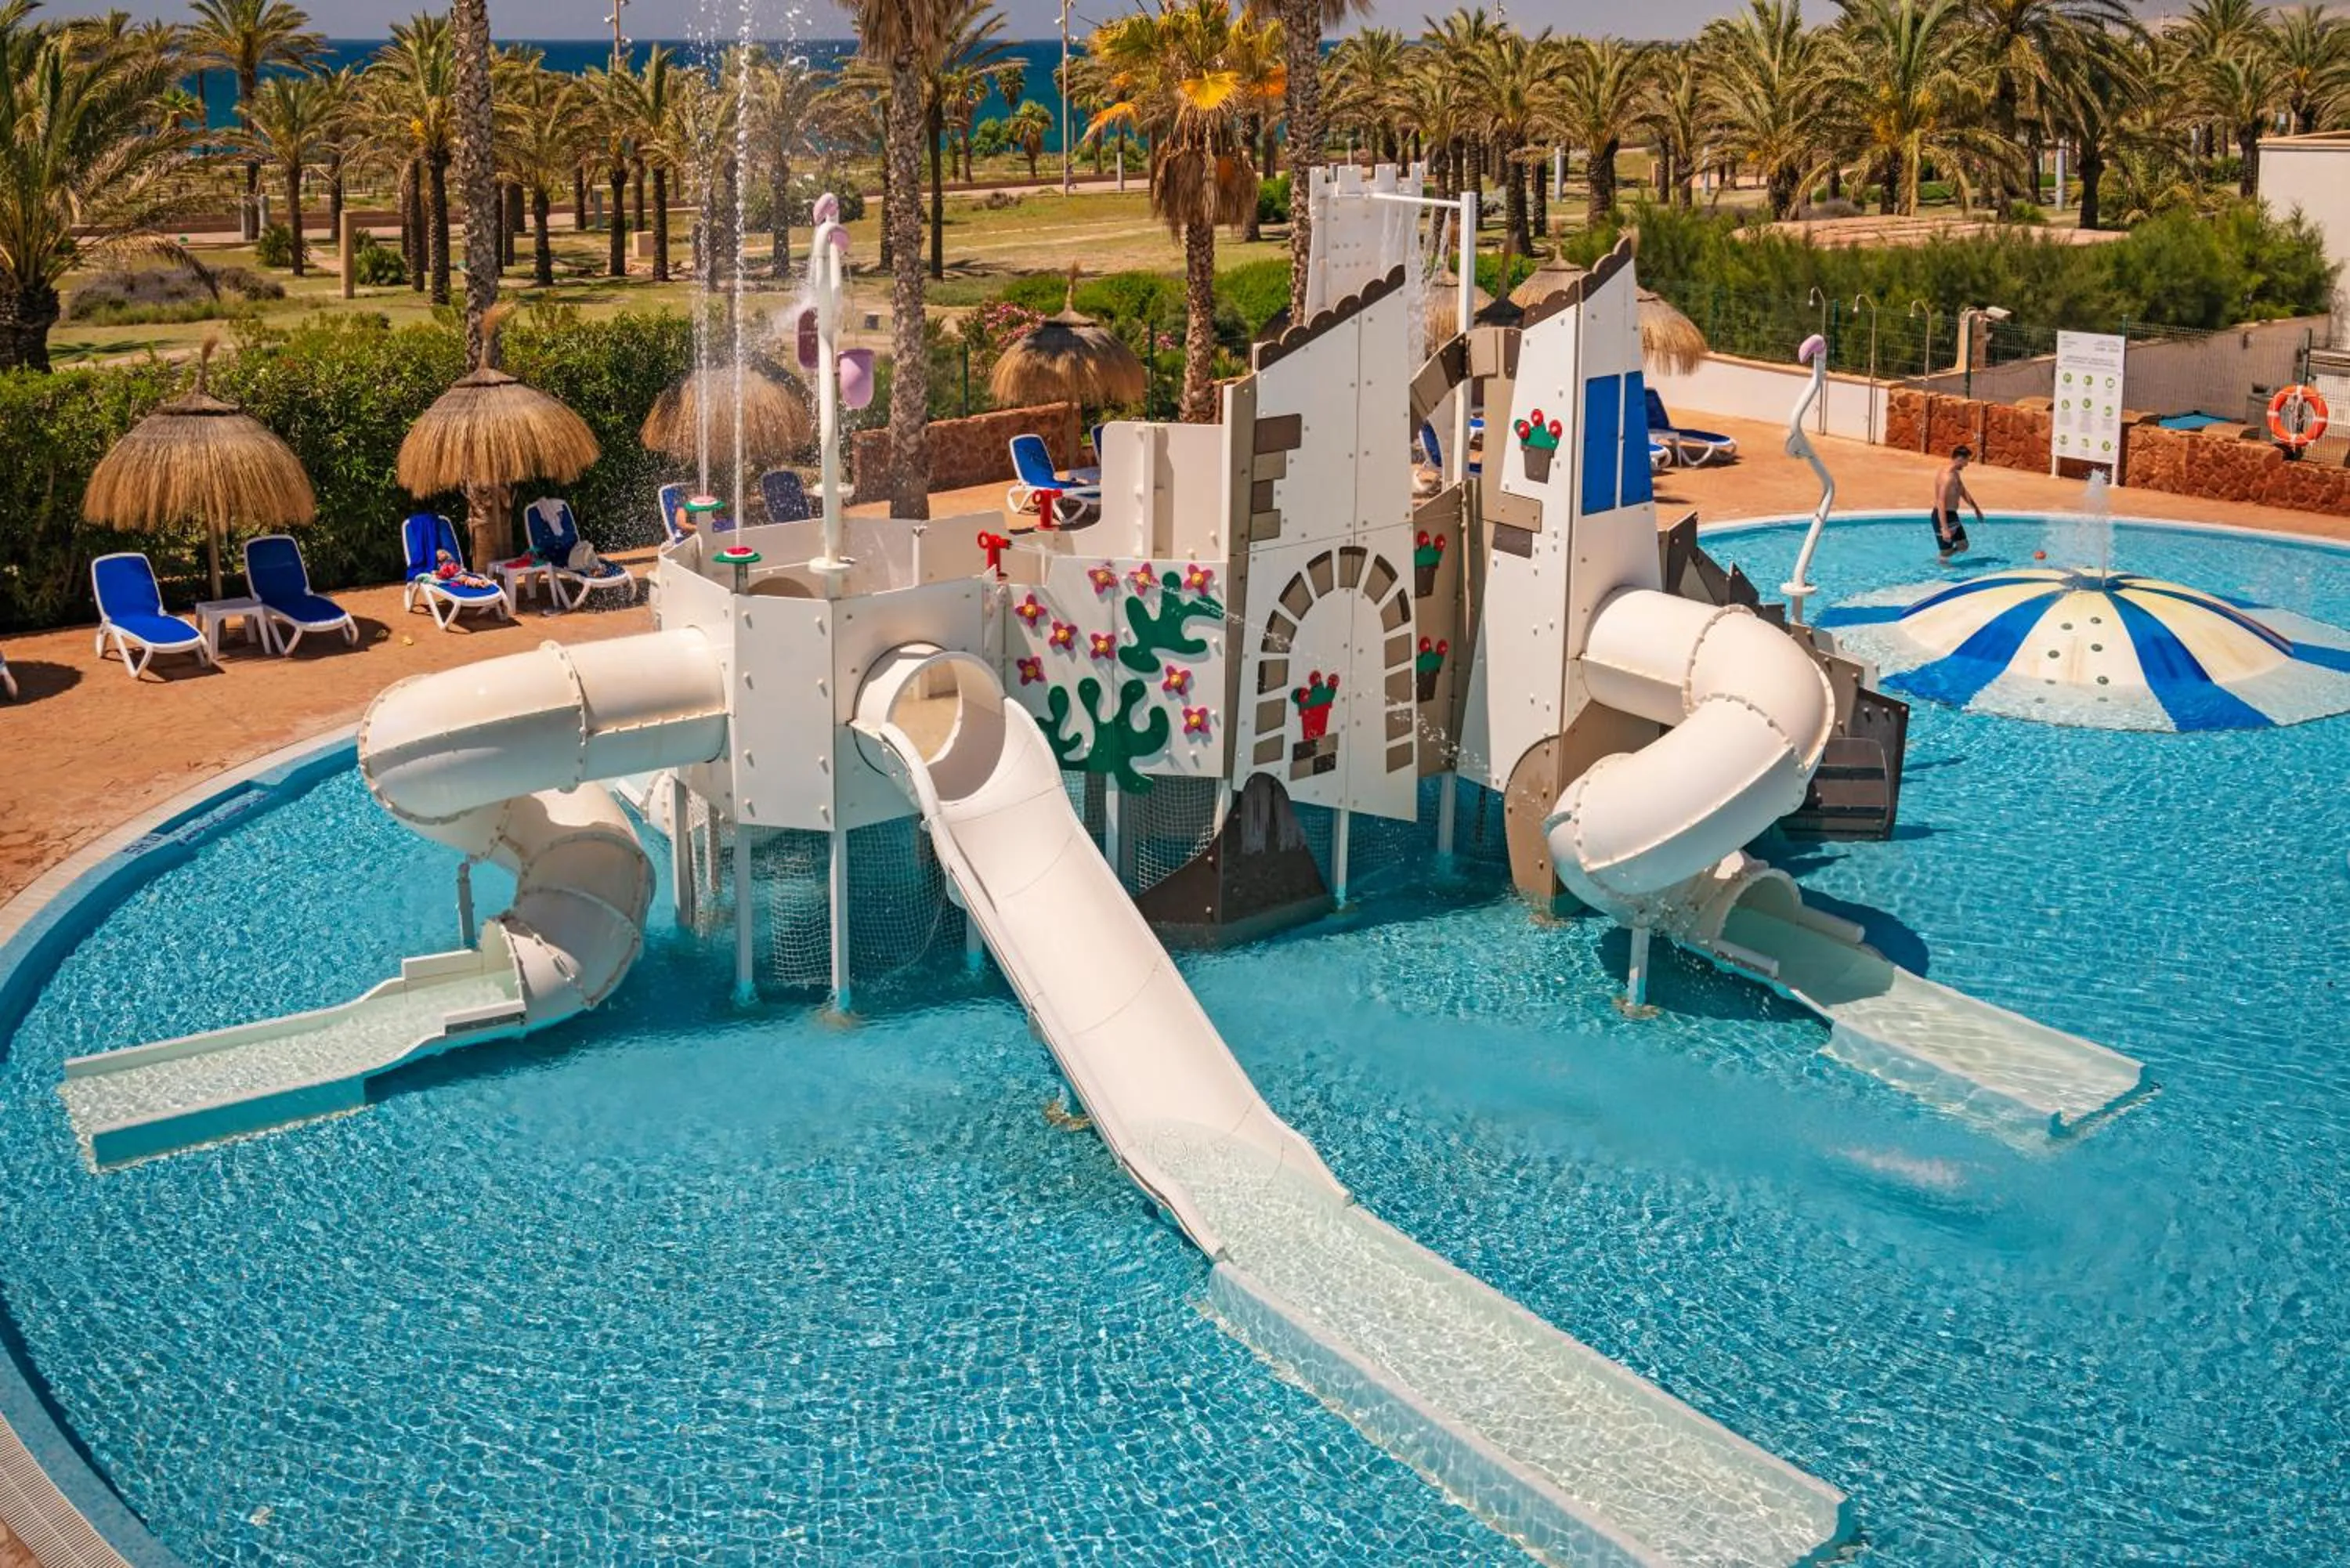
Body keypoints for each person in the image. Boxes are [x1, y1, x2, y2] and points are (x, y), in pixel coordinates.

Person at [1931, 445, 1984, 559]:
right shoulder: (1947, 477)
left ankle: (1945, 555)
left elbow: (1963, 491)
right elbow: (1941, 502)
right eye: (1966, 461)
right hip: (1942, 516)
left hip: (1952, 515)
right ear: (1960, 459)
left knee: (1963, 546)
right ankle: (1943, 563)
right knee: (1946, 552)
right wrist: (1944, 528)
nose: (1967, 465)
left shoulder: (1955, 473)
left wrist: (1976, 509)